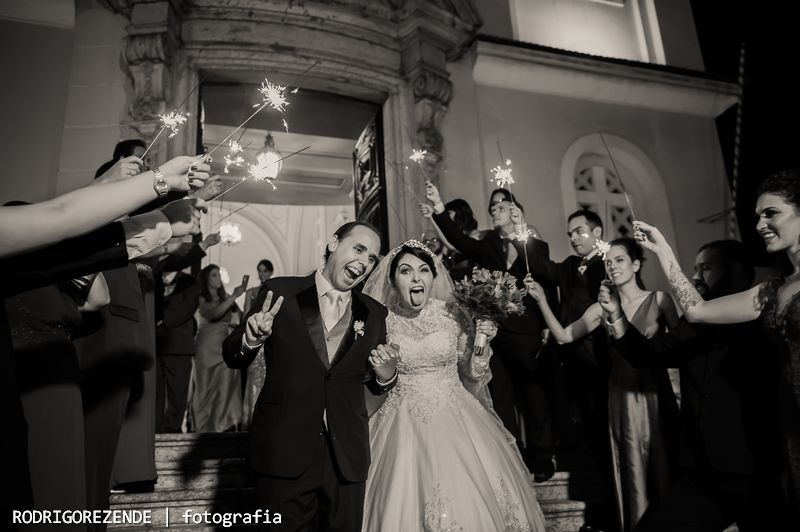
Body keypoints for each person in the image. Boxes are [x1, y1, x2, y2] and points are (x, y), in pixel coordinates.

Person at [632, 170, 800, 526]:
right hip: (791, 431)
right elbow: (697, 310)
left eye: (771, 213)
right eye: (757, 216)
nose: (759, 224)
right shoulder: (772, 289)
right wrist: (664, 251)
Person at [222, 221, 398, 531]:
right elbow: (232, 354)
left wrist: (386, 376)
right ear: (333, 243)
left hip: (346, 460)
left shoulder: (374, 314)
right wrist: (250, 340)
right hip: (284, 452)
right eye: (358, 249)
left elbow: (372, 382)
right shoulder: (281, 292)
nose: (364, 263)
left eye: (372, 258)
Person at [360, 240, 547, 531]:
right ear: (393, 280)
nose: (416, 277)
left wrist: (482, 344)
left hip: (456, 413)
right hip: (400, 422)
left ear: (434, 276)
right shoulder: (382, 320)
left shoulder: (452, 314)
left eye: (423, 270)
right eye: (406, 271)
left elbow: (472, 374)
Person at [604, 240, 786, 531]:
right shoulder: (690, 325)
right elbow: (646, 355)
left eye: (706, 268)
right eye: (694, 269)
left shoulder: (763, 319)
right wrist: (616, 316)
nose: (696, 276)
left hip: (754, 470)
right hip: (701, 473)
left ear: (737, 272)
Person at [525, 238, 680, 532]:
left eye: (619, 260)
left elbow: (682, 345)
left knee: (665, 462)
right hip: (620, 393)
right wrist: (543, 300)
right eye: (609, 261)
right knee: (631, 467)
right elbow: (564, 336)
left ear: (635, 265)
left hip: (655, 392)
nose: (612, 265)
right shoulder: (601, 308)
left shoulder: (660, 299)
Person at [423, 183, 558, 481]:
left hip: (527, 330)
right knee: (502, 392)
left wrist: (521, 236)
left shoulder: (535, 244)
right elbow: (457, 239)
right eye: (492, 208)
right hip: (496, 331)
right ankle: (514, 454)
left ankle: (543, 454)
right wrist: (439, 207)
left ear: (514, 211)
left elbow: (548, 277)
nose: (494, 211)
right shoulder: (487, 246)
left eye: (500, 207)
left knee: (533, 393)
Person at [189, 265, 247, 432]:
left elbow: (242, 316)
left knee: (226, 385)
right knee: (205, 388)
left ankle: (222, 425)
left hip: (224, 346)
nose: (218, 278)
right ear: (206, 278)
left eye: (218, 275)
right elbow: (213, 314)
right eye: (214, 275)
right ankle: (202, 428)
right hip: (207, 346)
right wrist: (235, 295)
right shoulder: (201, 298)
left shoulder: (227, 297)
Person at [242, 258, 274, 428]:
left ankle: (266, 423)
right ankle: (250, 422)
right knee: (253, 380)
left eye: (265, 271)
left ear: (271, 272)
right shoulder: (251, 292)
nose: (262, 274)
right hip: (254, 342)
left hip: (270, 342)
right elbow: (245, 317)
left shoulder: (276, 291)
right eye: (260, 270)